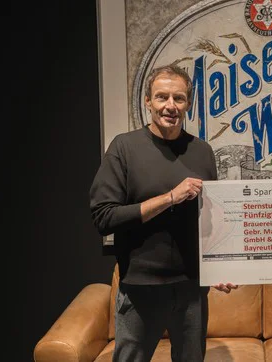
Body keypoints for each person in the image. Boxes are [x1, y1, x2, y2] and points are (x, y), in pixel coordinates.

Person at [90, 64, 236, 362]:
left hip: (191, 288)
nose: (171, 106)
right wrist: (170, 198)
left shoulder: (202, 151)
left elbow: (211, 222)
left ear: (188, 103)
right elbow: (104, 217)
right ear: (148, 101)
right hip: (140, 287)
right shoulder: (124, 147)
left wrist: (218, 267)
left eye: (179, 98)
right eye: (162, 97)